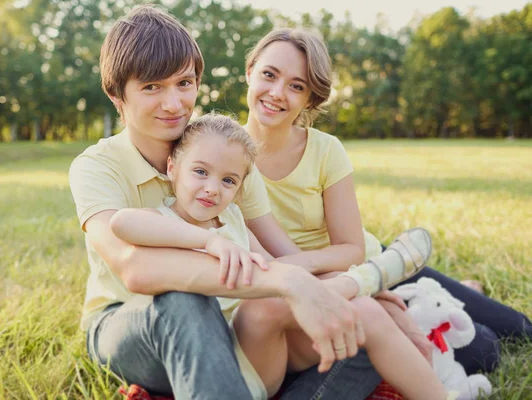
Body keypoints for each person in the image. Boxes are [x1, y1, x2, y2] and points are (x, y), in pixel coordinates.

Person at [69, 5, 385, 400]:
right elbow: (136, 269)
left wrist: (348, 288)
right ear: (117, 95)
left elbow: (277, 252)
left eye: (183, 83)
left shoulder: (223, 155)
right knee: (184, 299)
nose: (173, 104)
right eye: (152, 87)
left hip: (226, 317)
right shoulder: (96, 167)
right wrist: (284, 280)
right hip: (128, 324)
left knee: (363, 335)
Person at [240, 27, 532, 376]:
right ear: (250, 71)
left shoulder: (325, 150)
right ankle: (456, 292)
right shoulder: (222, 153)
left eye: (296, 86)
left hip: (376, 268)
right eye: (269, 75)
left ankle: (458, 290)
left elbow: (351, 249)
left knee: (520, 330)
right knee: (481, 350)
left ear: (309, 99)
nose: (277, 93)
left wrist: (295, 267)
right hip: (322, 290)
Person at [109, 112, 457, 400]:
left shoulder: (233, 220)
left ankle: (432, 387)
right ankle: (363, 279)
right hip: (225, 368)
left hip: (265, 350)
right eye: (200, 172)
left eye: (228, 181)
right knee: (261, 303)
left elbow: (276, 269)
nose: (212, 188)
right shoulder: (163, 220)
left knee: (364, 311)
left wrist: (338, 287)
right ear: (172, 168)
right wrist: (209, 242)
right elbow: (122, 223)